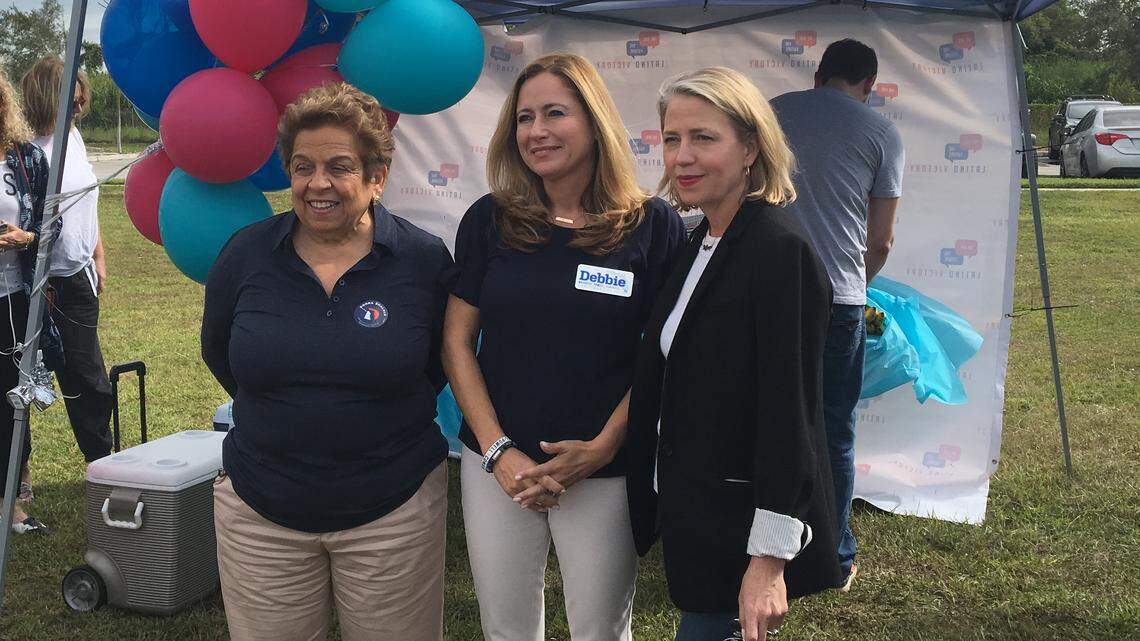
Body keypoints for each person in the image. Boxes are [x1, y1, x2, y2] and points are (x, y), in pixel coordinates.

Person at [442, 52, 685, 641]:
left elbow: (664, 354)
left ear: (595, 120)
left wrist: (601, 449)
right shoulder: (490, 220)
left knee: (600, 628)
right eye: (525, 118)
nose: (537, 131)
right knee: (506, 628)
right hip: (497, 466)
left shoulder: (653, 225)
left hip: (602, 470)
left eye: (556, 113)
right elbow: (456, 339)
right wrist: (499, 451)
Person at [200, 82, 453, 641]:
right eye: (302, 166)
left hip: (393, 511)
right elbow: (221, 353)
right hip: (261, 512)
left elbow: (437, 365)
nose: (318, 184)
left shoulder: (422, 260)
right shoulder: (245, 254)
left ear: (377, 177)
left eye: (339, 167)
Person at [625, 67, 843, 641]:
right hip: (702, 517)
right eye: (672, 139)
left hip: (740, 533)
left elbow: (790, 415)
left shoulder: (777, 251)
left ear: (751, 148)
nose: (682, 157)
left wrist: (769, 560)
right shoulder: (703, 237)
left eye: (704, 138)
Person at [770, 39, 905, 590]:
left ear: (818, 73)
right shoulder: (882, 133)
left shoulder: (773, 110)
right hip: (839, 298)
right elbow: (882, 240)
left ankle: (759, 545)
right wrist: (856, 283)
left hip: (770, 290)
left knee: (764, 422)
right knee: (833, 431)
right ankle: (836, 556)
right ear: (869, 84)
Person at [21, 57, 114, 467]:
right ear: (47, 100)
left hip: (79, 276)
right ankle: (99, 460)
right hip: (48, 282)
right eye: (70, 102)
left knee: (86, 375)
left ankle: (101, 459)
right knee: (78, 376)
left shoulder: (72, 138)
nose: (79, 109)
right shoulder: (32, 154)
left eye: (80, 101)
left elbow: (86, 203)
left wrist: (98, 254)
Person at [0, 70, 63, 534]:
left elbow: (52, 221)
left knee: (16, 398)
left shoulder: (28, 160)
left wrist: (29, 237)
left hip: (16, 299)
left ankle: (13, 502)